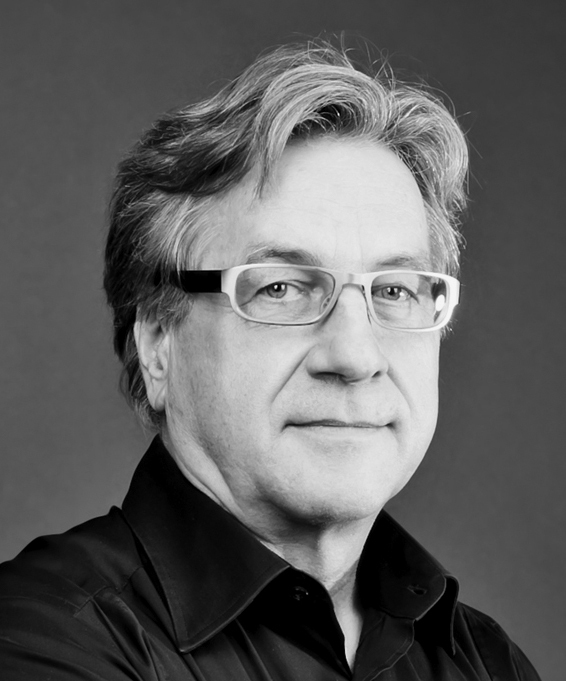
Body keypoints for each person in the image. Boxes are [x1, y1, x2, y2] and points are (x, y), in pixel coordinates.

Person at [0, 41, 541, 680]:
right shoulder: (41, 637)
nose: (355, 356)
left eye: (394, 291)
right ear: (157, 343)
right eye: (280, 288)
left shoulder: (485, 660)